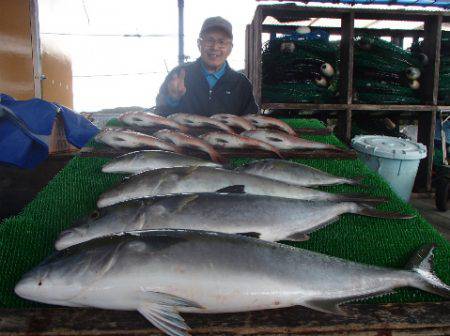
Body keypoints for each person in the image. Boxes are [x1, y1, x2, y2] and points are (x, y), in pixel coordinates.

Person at [155, 16, 259, 117]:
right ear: (199, 43)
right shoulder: (178, 75)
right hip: (184, 135)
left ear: (230, 48)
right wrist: (172, 100)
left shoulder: (241, 84)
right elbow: (158, 115)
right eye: (209, 40)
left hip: (226, 135)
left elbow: (251, 125)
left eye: (221, 42)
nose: (215, 47)